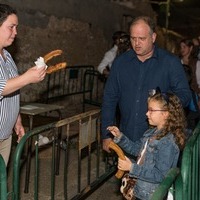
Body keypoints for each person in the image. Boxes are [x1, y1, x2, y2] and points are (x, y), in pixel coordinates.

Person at [101, 16, 191, 153]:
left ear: (153, 37)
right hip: (127, 139)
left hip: (160, 141)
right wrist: (106, 134)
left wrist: (163, 102)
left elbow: (184, 95)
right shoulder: (120, 63)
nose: (136, 43)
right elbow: (109, 99)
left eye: (142, 38)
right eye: (133, 38)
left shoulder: (170, 62)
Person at [107, 90, 186, 200]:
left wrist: (132, 167)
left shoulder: (168, 142)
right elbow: (136, 149)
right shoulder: (151, 133)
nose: (146, 113)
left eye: (151, 110)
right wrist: (120, 137)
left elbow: (160, 175)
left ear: (166, 114)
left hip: (152, 195)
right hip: (141, 191)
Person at [0, 3, 46, 166]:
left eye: (16, 27)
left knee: (2, 181)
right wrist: (27, 77)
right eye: (11, 27)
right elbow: (2, 87)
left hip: (5, 135)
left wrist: (16, 120)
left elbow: (13, 90)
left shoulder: (7, 56)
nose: (16, 32)